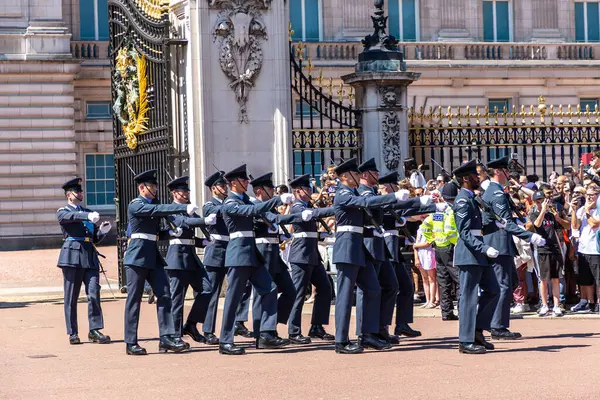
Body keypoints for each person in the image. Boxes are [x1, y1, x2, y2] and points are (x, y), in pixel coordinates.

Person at [331, 158, 429, 354]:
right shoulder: (343, 194)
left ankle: (368, 334)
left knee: (374, 288)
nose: (358, 176)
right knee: (344, 295)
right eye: (355, 174)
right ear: (344, 176)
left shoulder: (352, 192)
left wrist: (421, 203)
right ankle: (341, 341)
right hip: (347, 248)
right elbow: (366, 202)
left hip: (359, 248)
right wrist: (394, 198)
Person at [218, 164, 295, 355]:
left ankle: (266, 334)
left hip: (253, 254)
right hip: (238, 255)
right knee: (233, 298)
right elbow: (250, 213)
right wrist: (277, 199)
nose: (246, 183)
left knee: (270, 289)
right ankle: (225, 340)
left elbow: (268, 215)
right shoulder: (230, 203)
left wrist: (295, 214)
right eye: (243, 180)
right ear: (233, 183)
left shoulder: (247, 202)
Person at [123, 169, 196, 355]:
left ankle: (166, 337)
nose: (155, 189)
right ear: (142, 187)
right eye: (152, 186)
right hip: (137, 256)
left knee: (165, 294)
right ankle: (131, 342)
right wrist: (181, 207)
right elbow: (155, 211)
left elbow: (155, 233)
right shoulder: (136, 204)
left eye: (156, 186)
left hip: (153, 256)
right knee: (134, 300)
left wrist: (170, 233)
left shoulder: (153, 205)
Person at [482, 156, 545, 340]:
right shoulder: (497, 193)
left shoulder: (496, 191)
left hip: (501, 244)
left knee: (509, 284)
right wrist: (530, 236)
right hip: (499, 245)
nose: (508, 174)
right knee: (503, 286)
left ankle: (496, 324)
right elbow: (506, 223)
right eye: (505, 171)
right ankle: (498, 326)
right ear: (497, 172)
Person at [452, 159, 500, 355]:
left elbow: (478, 227)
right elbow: (465, 233)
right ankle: (465, 340)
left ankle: (477, 331)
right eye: (474, 175)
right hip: (470, 253)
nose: (477, 177)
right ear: (464, 179)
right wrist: (484, 248)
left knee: (493, 290)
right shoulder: (463, 200)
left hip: (479, 252)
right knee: (469, 297)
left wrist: (497, 224)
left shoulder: (473, 198)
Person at [56, 178, 111, 345]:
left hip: (89, 257)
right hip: (72, 257)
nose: (81, 194)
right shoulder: (63, 211)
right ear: (68, 195)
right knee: (71, 296)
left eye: (81, 191)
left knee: (94, 293)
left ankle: (94, 330)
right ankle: (73, 332)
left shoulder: (87, 211)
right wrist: (87, 215)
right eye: (77, 191)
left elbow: (92, 239)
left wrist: (102, 232)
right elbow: (70, 217)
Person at [164, 176, 216, 344]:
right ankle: (175, 335)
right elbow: (183, 222)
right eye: (183, 191)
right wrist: (203, 220)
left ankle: (191, 324)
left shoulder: (189, 209)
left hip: (191, 257)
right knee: (177, 298)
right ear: (174, 193)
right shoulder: (171, 209)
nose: (186, 194)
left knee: (207, 289)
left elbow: (190, 236)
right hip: (177, 258)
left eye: (187, 191)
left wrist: (204, 242)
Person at [248, 173, 300, 342]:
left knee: (290, 291)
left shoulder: (268, 206)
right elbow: (274, 219)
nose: (273, 191)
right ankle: (261, 332)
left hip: (274, 252)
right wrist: (298, 216)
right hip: (262, 251)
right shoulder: (254, 205)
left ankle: (270, 325)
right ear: (259, 191)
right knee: (262, 293)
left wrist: (280, 237)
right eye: (270, 188)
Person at [287, 174, 336, 343]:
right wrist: (335, 208)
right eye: (306, 189)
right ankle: (294, 331)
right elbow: (307, 216)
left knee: (325, 288)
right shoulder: (296, 207)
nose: (309, 191)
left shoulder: (307, 206)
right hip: (300, 255)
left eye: (309, 188)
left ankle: (317, 326)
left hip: (312, 255)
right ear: (297, 191)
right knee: (298, 293)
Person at [378, 171, 423, 338]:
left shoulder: (393, 200)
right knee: (391, 287)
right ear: (387, 187)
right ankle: (383, 327)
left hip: (394, 247)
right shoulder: (380, 201)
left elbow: (409, 210)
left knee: (406, 286)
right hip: (386, 247)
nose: (397, 187)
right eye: (394, 185)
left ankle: (402, 324)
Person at [420, 182, 460, 321]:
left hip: (438, 248)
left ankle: (446, 312)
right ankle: (462, 310)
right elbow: (450, 230)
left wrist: (431, 239)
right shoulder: (451, 210)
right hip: (450, 248)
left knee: (443, 281)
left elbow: (425, 225)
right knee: (459, 279)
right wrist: (455, 242)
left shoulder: (438, 211)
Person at [201, 171, 231, 344]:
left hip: (232, 248)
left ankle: (238, 323)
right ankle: (207, 330)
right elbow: (219, 212)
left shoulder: (228, 203)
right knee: (212, 292)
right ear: (214, 188)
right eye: (222, 186)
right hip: (216, 250)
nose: (225, 188)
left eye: (226, 185)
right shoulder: (209, 205)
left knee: (242, 287)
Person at [528, 191, 569, 317]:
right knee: (543, 279)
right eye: (538, 201)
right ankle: (544, 305)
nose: (541, 203)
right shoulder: (534, 213)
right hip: (542, 249)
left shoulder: (552, 213)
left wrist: (557, 218)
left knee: (556, 278)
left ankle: (556, 305)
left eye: (543, 201)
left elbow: (567, 226)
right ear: (535, 202)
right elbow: (537, 224)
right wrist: (543, 211)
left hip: (555, 248)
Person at [571, 186, 600, 313]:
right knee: (586, 279)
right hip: (583, 249)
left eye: (592, 195)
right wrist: (573, 210)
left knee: (598, 279)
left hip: (596, 250)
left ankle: (599, 302)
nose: (589, 197)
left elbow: (594, 224)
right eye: (587, 194)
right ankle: (591, 303)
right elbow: (575, 226)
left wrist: (587, 211)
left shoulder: (597, 210)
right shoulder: (582, 209)